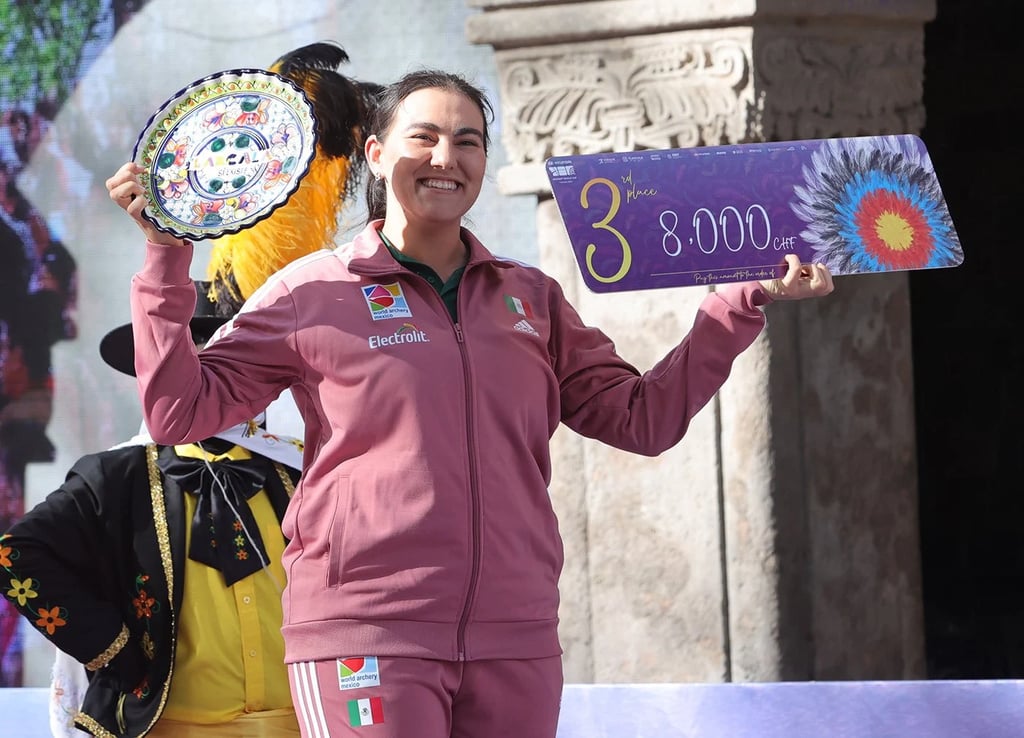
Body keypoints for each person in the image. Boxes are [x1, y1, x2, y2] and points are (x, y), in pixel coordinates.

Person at [105, 68, 834, 738]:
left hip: (514, 635)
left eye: (468, 141)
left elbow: (643, 420)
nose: (446, 158)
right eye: (422, 137)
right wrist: (167, 260)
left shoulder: (531, 299)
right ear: (376, 154)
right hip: (366, 633)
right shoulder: (310, 292)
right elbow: (178, 413)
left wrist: (741, 302)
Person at [0, 282, 305, 737]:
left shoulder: (305, 470)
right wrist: (114, 647)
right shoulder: (117, 477)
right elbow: (14, 555)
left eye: (228, 366)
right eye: (184, 367)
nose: (204, 383)